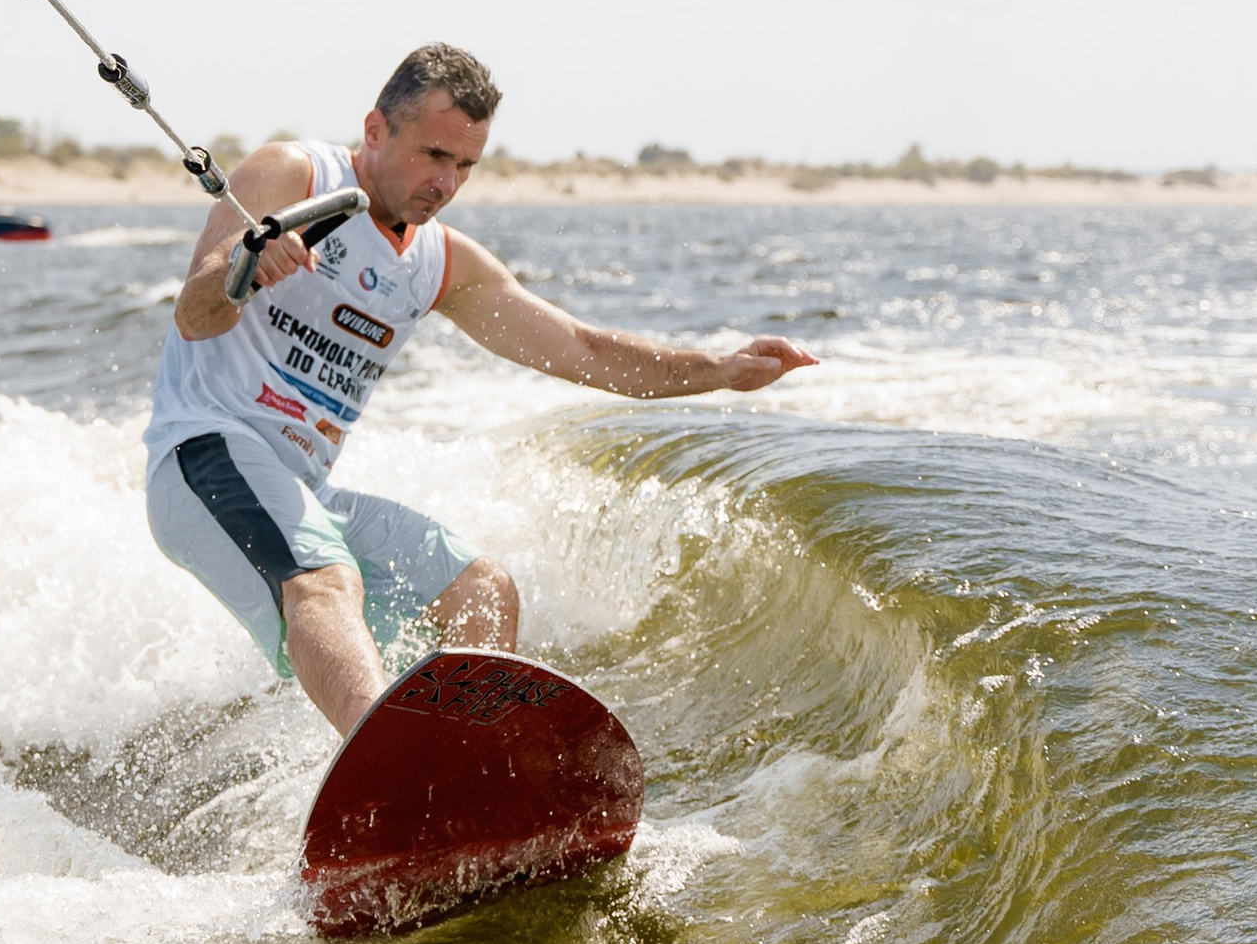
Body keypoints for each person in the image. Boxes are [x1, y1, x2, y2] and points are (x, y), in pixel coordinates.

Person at [144, 42, 818, 739]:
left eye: (465, 165)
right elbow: (195, 316)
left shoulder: (441, 261)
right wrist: (247, 265)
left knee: (479, 590)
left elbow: (582, 350)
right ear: (376, 130)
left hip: (298, 491)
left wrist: (718, 369)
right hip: (204, 454)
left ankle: (466, 760)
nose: (447, 182)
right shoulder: (294, 172)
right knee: (325, 578)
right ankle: (392, 761)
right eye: (433, 156)